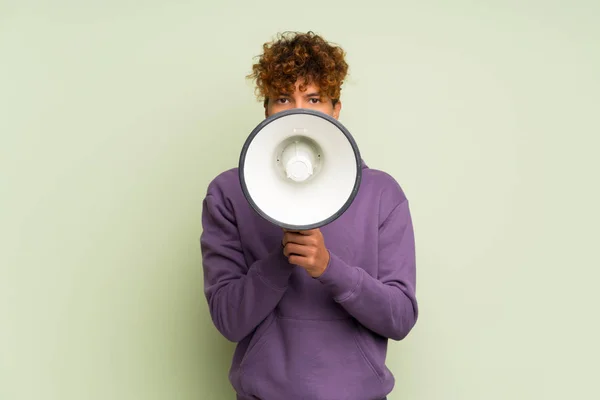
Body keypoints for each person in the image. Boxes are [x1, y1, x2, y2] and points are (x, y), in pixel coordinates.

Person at [200, 31, 418, 400]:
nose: (298, 111)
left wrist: (329, 268)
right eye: (284, 98)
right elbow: (228, 320)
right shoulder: (229, 193)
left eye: (313, 98)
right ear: (267, 108)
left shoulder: (383, 194)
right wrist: (282, 259)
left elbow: (399, 319)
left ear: (336, 108)